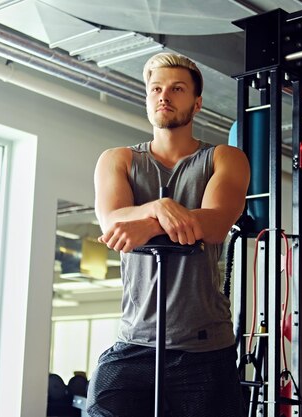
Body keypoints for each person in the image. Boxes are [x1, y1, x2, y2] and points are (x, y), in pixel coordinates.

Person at [86, 52, 250, 417]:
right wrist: (160, 207)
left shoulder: (225, 158)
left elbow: (215, 224)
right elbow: (112, 223)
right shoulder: (118, 159)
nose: (164, 96)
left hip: (205, 348)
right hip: (134, 341)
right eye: (156, 88)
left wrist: (145, 223)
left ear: (197, 102)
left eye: (177, 89)